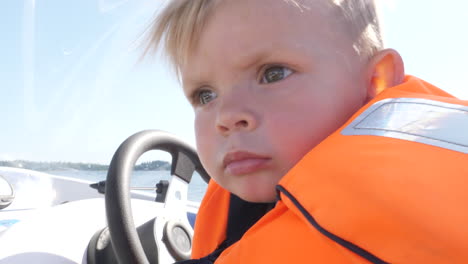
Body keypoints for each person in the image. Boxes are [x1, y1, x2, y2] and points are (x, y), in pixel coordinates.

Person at [145, 0, 468, 263]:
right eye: (205, 95)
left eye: (273, 74)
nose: (226, 117)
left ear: (376, 84)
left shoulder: (383, 229)